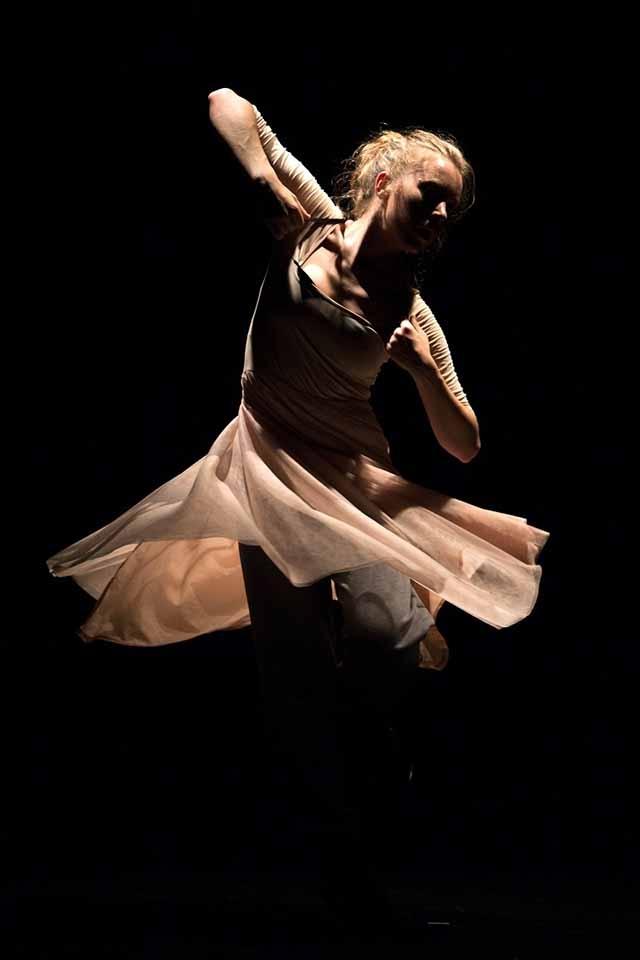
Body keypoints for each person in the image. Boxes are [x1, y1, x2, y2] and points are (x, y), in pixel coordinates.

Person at [46, 87, 550, 933]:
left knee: (383, 640)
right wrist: (256, 177)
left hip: (353, 482)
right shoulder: (312, 222)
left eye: (451, 212)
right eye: (431, 195)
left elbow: (464, 442)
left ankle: (375, 739)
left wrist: (421, 372)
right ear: (384, 179)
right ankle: (343, 867)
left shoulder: (412, 310)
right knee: (292, 681)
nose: (440, 217)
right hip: (265, 470)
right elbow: (227, 102)